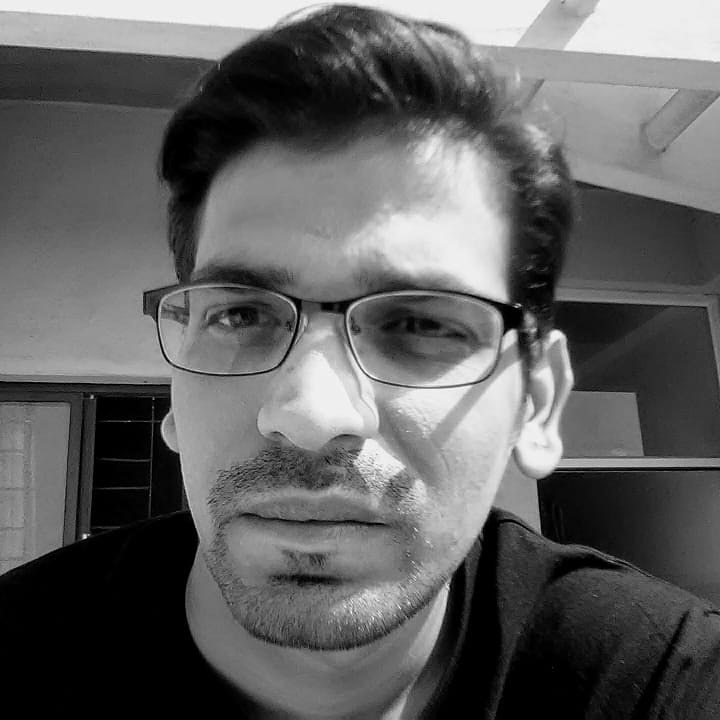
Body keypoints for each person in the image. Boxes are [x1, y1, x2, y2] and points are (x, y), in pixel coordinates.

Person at [2, 4, 720, 717]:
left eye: (420, 323)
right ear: (176, 394)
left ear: (536, 403)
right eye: (241, 315)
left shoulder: (659, 680)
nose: (310, 415)